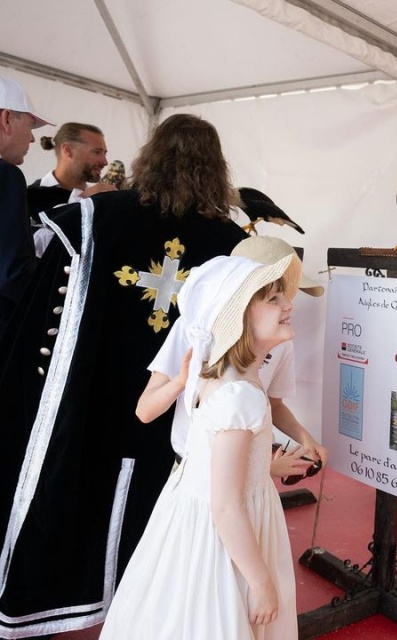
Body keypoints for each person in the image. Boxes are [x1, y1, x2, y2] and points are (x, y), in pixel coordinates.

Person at [0, 114, 248, 637]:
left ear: (151, 156)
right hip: (179, 397)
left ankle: (79, 599)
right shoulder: (231, 240)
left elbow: (46, 299)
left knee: (90, 483)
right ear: (216, 166)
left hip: (99, 388)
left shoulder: (99, 215)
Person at [100, 253, 300, 639]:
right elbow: (225, 507)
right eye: (273, 299)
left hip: (197, 520)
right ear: (240, 316)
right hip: (221, 536)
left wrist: (264, 469)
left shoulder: (226, 381)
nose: (288, 304)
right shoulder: (239, 396)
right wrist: (259, 581)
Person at [141, 235, 328, 479]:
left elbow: (274, 404)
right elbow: (145, 411)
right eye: (273, 294)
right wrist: (180, 382)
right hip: (195, 476)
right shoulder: (195, 332)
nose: (289, 303)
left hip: (249, 473)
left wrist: (306, 440)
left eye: (288, 292)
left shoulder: (281, 343)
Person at [0, 77, 52, 338]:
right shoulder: (5, 175)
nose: (32, 139)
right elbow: (13, 272)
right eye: (31, 126)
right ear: (6, 119)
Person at [26, 122, 115, 221]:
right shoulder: (29, 198)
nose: (105, 162)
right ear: (68, 150)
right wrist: (82, 200)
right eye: (97, 152)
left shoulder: (101, 196)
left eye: (104, 153)